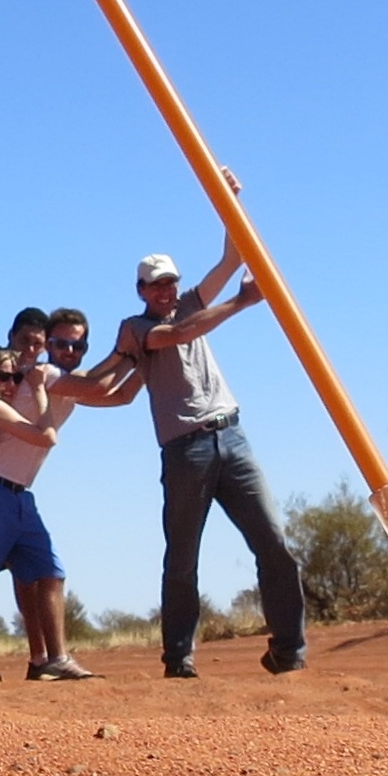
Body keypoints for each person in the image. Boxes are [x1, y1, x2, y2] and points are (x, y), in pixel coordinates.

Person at [108, 237, 307, 679]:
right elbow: (180, 334)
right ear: (141, 290)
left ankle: (289, 651)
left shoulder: (193, 301)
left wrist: (227, 200)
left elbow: (230, 258)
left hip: (232, 437)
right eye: (156, 285)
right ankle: (179, 660)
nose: (166, 291)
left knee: (274, 544)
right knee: (182, 557)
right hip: (184, 450)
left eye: (170, 283)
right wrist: (241, 301)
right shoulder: (137, 329)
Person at [0, 310, 124, 681]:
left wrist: (143, 359)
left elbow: (119, 394)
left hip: (20, 495)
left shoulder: (60, 380)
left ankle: (53, 658)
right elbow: (100, 388)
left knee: (49, 573)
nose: (71, 350)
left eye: (79, 345)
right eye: (62, 343)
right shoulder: (46, 376)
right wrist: (130, 352)